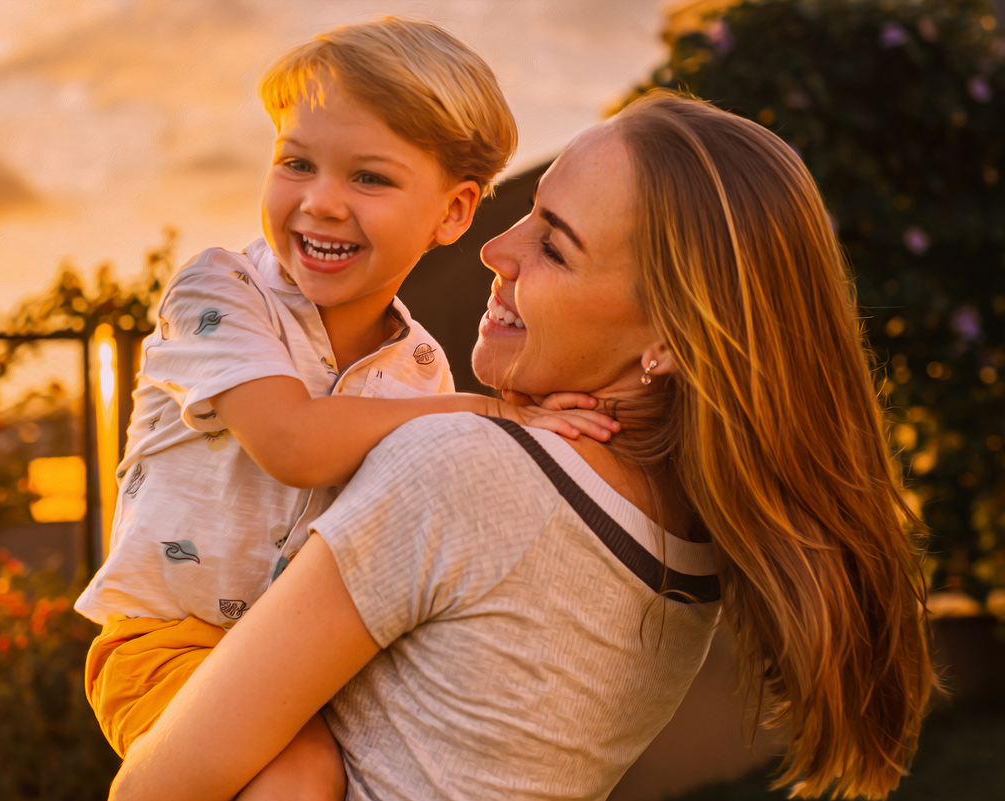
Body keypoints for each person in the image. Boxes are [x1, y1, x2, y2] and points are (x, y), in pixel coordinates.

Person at [109, 90, 937, 801]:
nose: (495, 250)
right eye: (529, 213)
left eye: (555, 244)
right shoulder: (689, 553)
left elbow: (154, 788)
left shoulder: (462, 472)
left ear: (669, 339)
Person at [73, 14, 616, 790]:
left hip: (312, 656)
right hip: (173, 641)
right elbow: (293, 442)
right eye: (296, 162)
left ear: (454, 213)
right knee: (298, 776)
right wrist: (490, 412)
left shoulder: (420, 365)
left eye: (369, 177)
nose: (321, 201)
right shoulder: (220, 292)